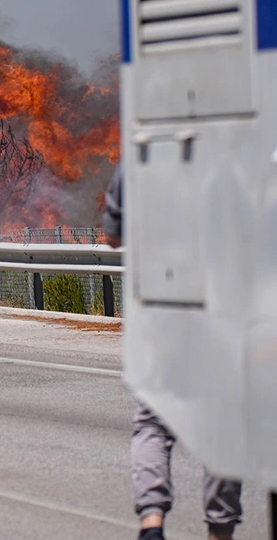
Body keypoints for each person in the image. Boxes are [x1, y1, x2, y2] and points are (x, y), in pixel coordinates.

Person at [105, 162, 243, 540]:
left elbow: (114, 238)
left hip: (161, 304)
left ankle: (152, 521)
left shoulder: (140, 155)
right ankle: (221, 529)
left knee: (153, 419)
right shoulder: (234, 152)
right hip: (223, 306)